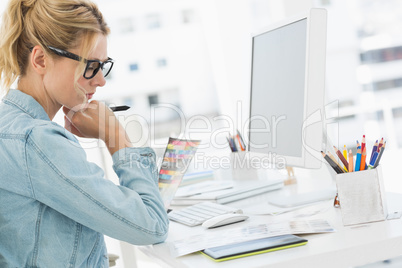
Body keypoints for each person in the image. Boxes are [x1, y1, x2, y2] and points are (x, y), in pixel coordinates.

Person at [0, 0, 169, 267]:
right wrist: (115, 136)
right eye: (91, 65)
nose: (101, 80)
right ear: (41, 60)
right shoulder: (37, 142)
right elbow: (152, 226)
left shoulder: (9, 126)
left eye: (104, 65)